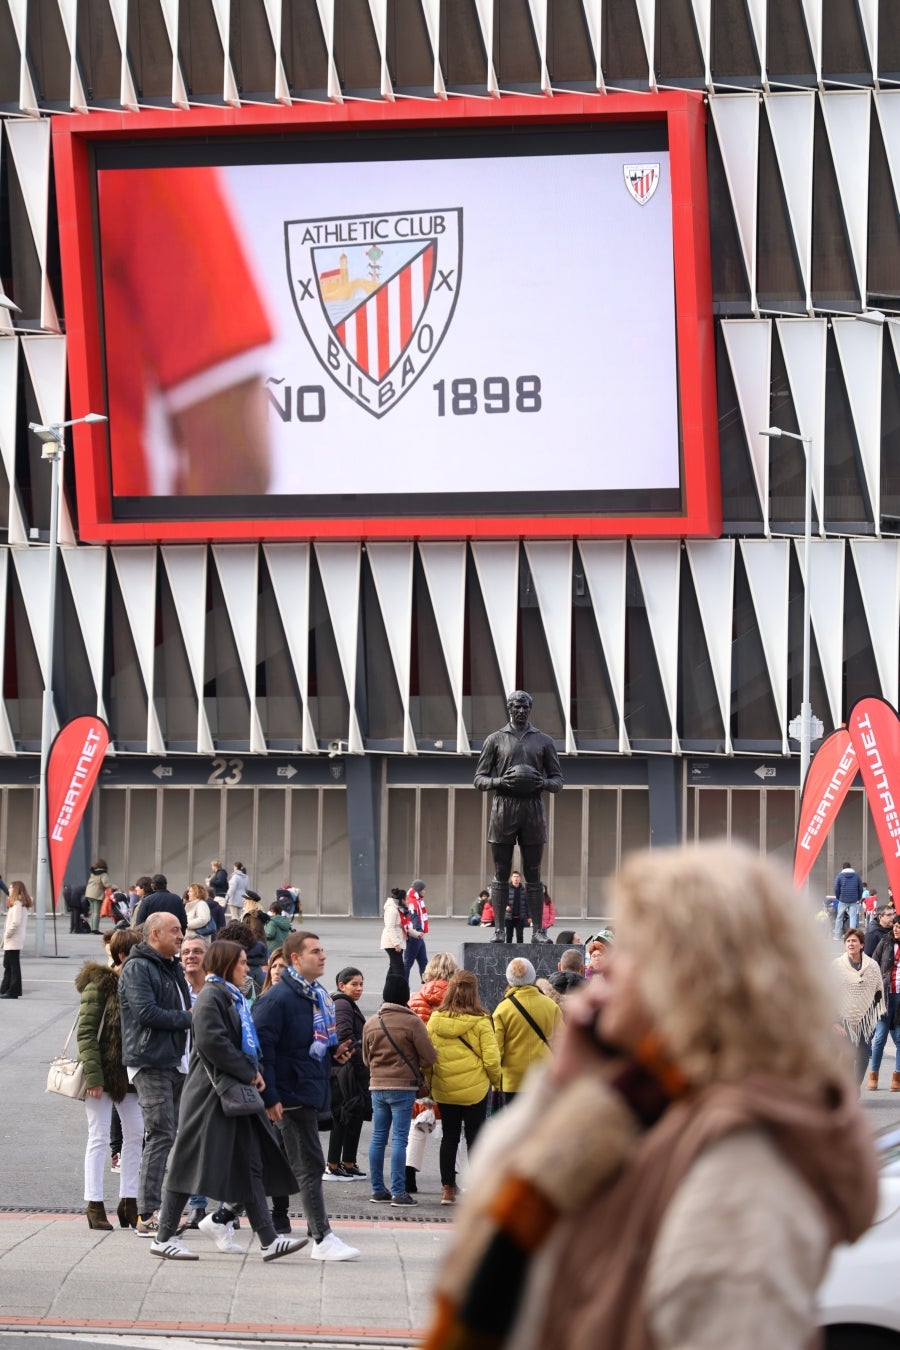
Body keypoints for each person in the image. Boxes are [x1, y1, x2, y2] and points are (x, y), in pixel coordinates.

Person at [424, 842, 879, 1350]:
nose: (609, 968)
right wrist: (564, 1086)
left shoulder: (740, 1167)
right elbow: (500, 1208)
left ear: (704, 981)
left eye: (635, 950)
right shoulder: (640, 1104)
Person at [148, 940, 305, 1262]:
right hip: (209, 1095)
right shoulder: (212, 996)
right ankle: (163, 1237)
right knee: (187, 1162)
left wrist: (253, 1070)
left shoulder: (230, 996)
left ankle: (268, 1239)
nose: (247, 969)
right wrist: (249, 1072)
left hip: (229, 1093)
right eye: (242, 963)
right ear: (225, 964)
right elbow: (212, 1042)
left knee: (250, 1164)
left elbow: (243, 1042)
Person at [252, 930, 361, 1261]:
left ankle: (222, 1216)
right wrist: (270, 1097)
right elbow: (262, 1052)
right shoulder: (277, 999)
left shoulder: (314, 997)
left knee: (267, 1163)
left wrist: (332, 1056)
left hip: (308, 1091)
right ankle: (322, 1237)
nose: (323, 956)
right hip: (290, 1096)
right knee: (310, 1165)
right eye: (315, 951)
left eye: (323, 950)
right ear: (295, 959)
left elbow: (305, 1048)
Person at [117, 911, 193, 1236]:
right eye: (175, 930)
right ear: (154, 934)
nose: (181, 935)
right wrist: (190, 1017)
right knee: (160, 1133)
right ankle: (147, 1214)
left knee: (169, 1134)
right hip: (150, 1061)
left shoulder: (170, 966)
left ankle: (160, 1210)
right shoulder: (138, 967)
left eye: (181, 930)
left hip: (174, 1059)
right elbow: (146, 1013)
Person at [475, 690, 564, 945]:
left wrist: (544, 781)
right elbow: (479, 778)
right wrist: (501, 780)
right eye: (516, 706)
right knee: (501, 872)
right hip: (503, 807)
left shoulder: (544, 741)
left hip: (533, 808)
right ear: (509, 708)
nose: (521, 711)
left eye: (525, 707)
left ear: (530, 709)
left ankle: (538, 931)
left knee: (533, 872)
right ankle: (500, 931)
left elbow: (558, 780)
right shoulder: (495, 739)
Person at [77, 927, 144, 1230]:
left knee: (135, 1134)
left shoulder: (140, 984)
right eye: (139, 954)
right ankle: (94, 1204)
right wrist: (93, 1076)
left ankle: (129, 1200)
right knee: (99, 1137)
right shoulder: (99, 986)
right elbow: (86, 1034)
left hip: (130, 1075)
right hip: (102, 1074)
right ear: (122, 956)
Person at [426, 971, 501, 1206]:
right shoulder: (481, 1020)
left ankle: (447, 1188)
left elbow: (428, 1057)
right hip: (475, 1088)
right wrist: (496, 1081)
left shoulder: (436, 1019)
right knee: (475, 1138)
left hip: (445, 1087)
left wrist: (430, 1084)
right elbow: (491, 1058)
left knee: (449, 1137)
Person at [363, 973, 437, 1206]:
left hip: (377, 1086)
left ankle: (377, 1190)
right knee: (399, 1139)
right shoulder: (412, 1021)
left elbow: (366, 1059)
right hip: (403, 1088)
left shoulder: (371, 1022)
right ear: (405, 996)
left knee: (378, 1137)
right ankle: (398, 1192)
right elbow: (428, 1057)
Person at [405, 952, 459, 1193]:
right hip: (452, 1067)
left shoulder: (415, 997)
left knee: (418, 1121)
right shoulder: (459, 999)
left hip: (419, 1068)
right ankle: (451, 1179)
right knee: (453, 1125)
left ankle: (409, 1177)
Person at [491, 957, 563, 1106]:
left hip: (513, 1080)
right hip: (544, 1076)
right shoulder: (551, 1005)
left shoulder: (503, 1009)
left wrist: (495, 1081)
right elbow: (562, 1042)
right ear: (532, 976)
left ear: (510, 981)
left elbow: (497, 1049)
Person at [325, 967, 370, 1181]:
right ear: (341, 985)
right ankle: (333, 1165)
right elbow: (344, 1037)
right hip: (345, 1071)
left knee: (352, 1116)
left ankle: (347, 1163)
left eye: (361, 984)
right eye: (354, 984)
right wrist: (361, 1065)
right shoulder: (342, 1003)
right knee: (342, 1116)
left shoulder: (345, 1003)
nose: (359, 988)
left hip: (348, 1070)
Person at [834, 927, 883, 1085]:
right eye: (848, 941)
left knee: (863, 1053)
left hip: (866, 1019)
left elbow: (878, 992)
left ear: (862, 945)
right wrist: (834, 1021)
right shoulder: (837, 966)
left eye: (854, 941)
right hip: (842, 1018)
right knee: (846, 1053)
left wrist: (874, 1016)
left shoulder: (872, 966)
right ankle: (846, 1088)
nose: (851, 944)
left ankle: (855, 1085)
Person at [868, 916, 900, 1091]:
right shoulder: (885, 942)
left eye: (899, 927)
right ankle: (874, 1075)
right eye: (895, 926)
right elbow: (873, 964)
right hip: (885, 996)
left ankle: (897, 1078)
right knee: (879, 1038)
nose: (896, 929)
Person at [1, 881, 33, 1000]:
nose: (8, 890)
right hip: (13, 939)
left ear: (16, 889)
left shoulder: (17, 904)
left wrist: (7, 935)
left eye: (10, 888)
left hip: (13, 939)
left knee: (13, 965)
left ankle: (13, 991)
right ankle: (5, 989)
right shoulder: (16, 903)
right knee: (8, 965)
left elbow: (15, 922)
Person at [403, 881, 429, 982]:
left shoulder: (417, 900)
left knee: (424, 962)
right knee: (408, 963)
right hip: (414, 935)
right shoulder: (413, 901)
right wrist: (419, 930)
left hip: (419, 936)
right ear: (419, 890)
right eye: (423, 889)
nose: (425, 891)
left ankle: (426, 985)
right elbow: (413, 916)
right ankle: (403, 988)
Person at [833, 861, 864, 940]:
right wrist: (858, 897)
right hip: (854, 899)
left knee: (839, 917)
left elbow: (836, 888)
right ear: (850, 867)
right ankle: (852, 936)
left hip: (843, 899)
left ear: (842, 868)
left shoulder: (840, 876)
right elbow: (860, 888)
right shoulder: (856, 876)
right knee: (853, 917)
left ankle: (837, 935)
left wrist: (838, 897)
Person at [380, 887, 407, 977]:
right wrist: (396, 944)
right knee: (398, 968)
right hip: (392, 943)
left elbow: (402, 925)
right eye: (406, 899)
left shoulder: (398, 908)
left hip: (396, 941)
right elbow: (390, 927)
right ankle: (398, 988)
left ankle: (389, 989)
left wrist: (417, 934)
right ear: (402, 899)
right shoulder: (392, 909)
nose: (407, 902)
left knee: (394, 967)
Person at [86, 859, 111, 935]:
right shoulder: (103, 874)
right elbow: (106, 884)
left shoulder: (93, 873)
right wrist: (116, 887)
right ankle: (95, 930)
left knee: (93, 912)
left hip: (89, 893)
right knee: (96, 912)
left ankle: (93, 929)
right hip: (96, 894)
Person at [505, 871, 528, 944]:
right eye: (514, 876)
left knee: (520, 936)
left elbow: (527, 904)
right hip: (509, 917)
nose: (516, 878)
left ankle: (519, 952)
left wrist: (529, 916)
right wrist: (505, 906)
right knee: (509, 936)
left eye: (517, 877)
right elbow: (501, 901)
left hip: (520, 917)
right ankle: (508, 952)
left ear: (520, 878)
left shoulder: (524, 890)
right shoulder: (507, 889)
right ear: (511, 878)